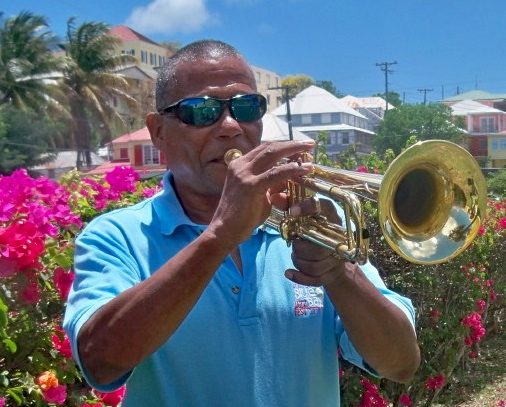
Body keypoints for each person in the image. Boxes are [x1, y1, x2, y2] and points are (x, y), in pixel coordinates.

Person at [63, 39, 420, 407]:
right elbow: (100, 364)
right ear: (158, 132)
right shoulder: (115, 236)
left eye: (247, 108)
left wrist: (339, 274)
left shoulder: (314, 220)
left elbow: (400, 364)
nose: (231, 126)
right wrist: (219, 237)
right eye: (202, 111)